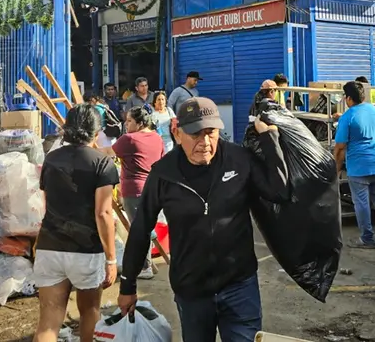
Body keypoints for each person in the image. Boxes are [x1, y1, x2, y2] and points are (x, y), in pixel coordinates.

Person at [118, 97, 290, 342]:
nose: (205, 142)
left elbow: (279, 191)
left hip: (239, 286)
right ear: (177, 133)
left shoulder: (238, 160)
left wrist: (270, 138)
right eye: (196, 134)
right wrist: (127, 286)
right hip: (192, 291)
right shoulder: (163, 174)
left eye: (211, 133)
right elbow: (141, 229)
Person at [34, 104, 119, 342]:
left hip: (50, 246)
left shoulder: (51, 159)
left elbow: (46, 204)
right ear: (96, 132)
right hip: (85, 251)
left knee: (48, 323)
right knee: (89, 313)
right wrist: (111, 259)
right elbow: (103, 213)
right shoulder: (102, 163)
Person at [103, 105, 165, 279]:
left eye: (129, 120)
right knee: (145, 226)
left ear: (139, 123)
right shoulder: (157, 138)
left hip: (135, 190)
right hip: (153, 188)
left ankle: (144, 267)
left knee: (139, 229)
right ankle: (146, 264)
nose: (126, 123)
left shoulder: (129, 139)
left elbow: (107, 152)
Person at [334, 81, 375, 249]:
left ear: (348, 98)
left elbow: (340, 148)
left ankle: (367, 239)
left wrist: (335, 172)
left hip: (359, 168)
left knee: (362, 204)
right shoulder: (373, 109)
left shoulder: (348, 116)